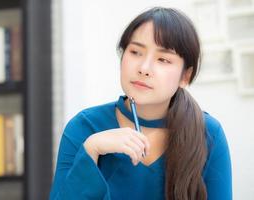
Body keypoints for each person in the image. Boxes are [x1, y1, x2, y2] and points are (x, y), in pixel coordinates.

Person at [49, 7, 232, 200]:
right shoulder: (84, 127)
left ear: (185, 76)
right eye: (135, 52)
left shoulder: (209, 133)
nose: (144, 68)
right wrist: (91, 150)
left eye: (163, 59)